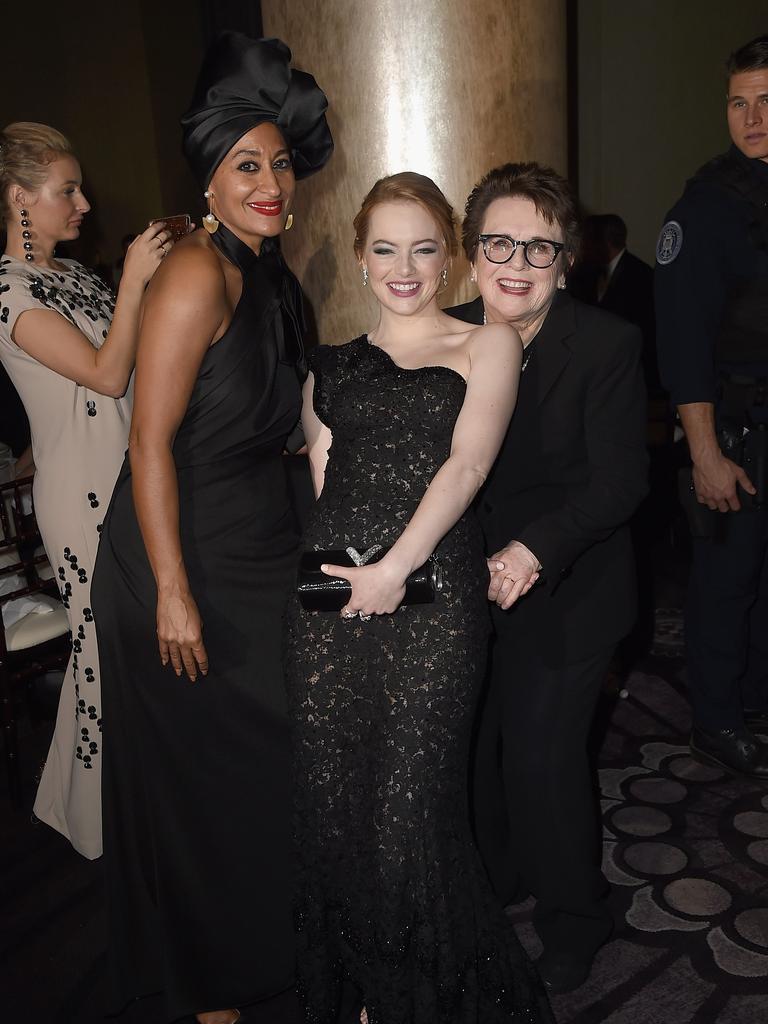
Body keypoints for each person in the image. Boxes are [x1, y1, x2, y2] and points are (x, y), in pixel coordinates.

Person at [91, 33, 333, 1024]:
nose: (270, 182)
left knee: (277, 757)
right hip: (173, 556)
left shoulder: (273, 276)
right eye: (247, 164)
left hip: (255, 545)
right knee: (204, 781)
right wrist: (175, 592)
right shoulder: (195, 272)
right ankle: (212, 993)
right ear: (210, 176)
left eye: (279, 162)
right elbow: (148, 443)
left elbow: (293, 424)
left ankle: (274, 944)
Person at [285, 172, 554, 1024]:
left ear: (448, 260)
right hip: (333, 614)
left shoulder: (488, 345)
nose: (405, 267)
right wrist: (344, 588)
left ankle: (427, 1002)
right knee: (336, 813)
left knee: (408, 818)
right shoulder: (326, 368)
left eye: (424, 248)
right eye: (386, 249)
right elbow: (327, 488)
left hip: (434, 608)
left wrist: (396, 568)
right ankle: (364, 996)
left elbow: (467, 466)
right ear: (362, 261)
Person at [447, 162, 648, 994]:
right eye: (499, 241)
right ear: (471, 253)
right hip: (464, 591)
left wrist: (533, 549)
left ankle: (575, 917)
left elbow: (621, 480)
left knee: (539, 757)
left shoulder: (605, 344)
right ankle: (496, 885)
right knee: (475, 755)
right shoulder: (441, 334)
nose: (517, 262)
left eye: (539, 245)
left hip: (569, 591)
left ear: (565, 259)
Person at [0, 121, 170, 858]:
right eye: (66, 190)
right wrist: (134, 279)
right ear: (18, 199)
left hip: (134, 474)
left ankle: (89, 805)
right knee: (105, 651)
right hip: (85, 497)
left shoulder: (74, 276)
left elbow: (132, 370)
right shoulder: (5, 291)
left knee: (120, 652)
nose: (83, 203)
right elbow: (102, 373)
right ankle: (103, 828)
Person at [655, 35, 768, 779]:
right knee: (727, 579)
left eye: (767, 102)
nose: (752, 116)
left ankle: (752, 701)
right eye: (739, 103)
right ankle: (715, 720)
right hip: (735, 425)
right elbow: (684, 340)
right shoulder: (708, 204)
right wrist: (704, 451)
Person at [569, 213, 659, 393]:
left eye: (587, 240)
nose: (583, 247)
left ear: (602, 241)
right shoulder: (588, 273)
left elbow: (645, 332)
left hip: (630, 374)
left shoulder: (641, 276)